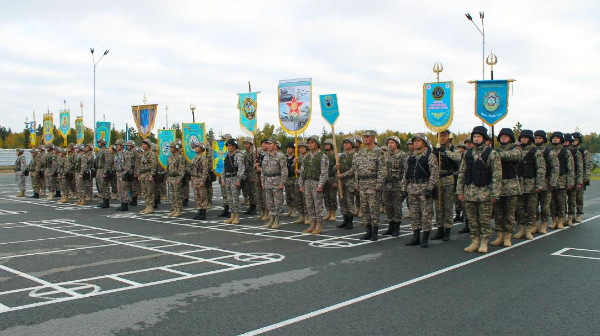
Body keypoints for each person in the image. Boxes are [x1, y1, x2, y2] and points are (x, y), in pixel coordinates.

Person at [457, 126, 502, 253]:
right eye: (474, 137)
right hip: (469, 192)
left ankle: (484, 241)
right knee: (472, 219)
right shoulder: (468, 153)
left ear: (484, 138)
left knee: (485, 219)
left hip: (485, 193)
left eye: (479, 137)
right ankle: (475, 240)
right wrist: (459, 191)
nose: (476, 139)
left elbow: (497, 175)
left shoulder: (492, 153)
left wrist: (495, 193)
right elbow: (462, 172)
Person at [402, 133, 439, 248]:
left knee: (426, 214)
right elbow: (405, 174)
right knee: (414, 214)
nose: (416, 143)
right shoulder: (410, 157)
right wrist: (403, 189)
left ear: (424, 142)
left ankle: (425, 238)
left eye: (419, 140)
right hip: (412, 188)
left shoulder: (430, 156)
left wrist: (430, 188)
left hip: (424, 188)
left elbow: (434, 174)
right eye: (414, 141)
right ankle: (416, 236)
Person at [490, 128, 522, 247]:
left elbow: (508, 156)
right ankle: (499, 236)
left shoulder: (516, 151)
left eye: (506, 136)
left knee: (509, 213)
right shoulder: (495, 151)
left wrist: (492, 154)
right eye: (501, 136)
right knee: (498, 213)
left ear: (510, 138)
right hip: (498, 186)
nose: (503, 137)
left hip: (511, 186)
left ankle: (508, 236)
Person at [353, 131, 384, 241]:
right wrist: (356, 183)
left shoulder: (378, 151)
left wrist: (379, 184)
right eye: (364, 137)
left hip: (373, 183)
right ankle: (368, 231)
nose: (365, 139)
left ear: (373, 138)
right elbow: (357, 169)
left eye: (367, 137)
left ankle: (375, 232)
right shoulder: (360, 152)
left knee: (373, 209)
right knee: (365, 208)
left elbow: (382, 169)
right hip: (363, 184)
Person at [431, 130, 461, 241]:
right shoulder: (435, 150)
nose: (442, 138)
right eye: (440, 136)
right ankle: (440, 228)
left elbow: (457, 158)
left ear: (449, 137)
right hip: (437, 179)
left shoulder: (453, 149)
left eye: (444, 136)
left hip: (448, 179)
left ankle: (447, 229)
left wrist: (446, 152)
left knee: (448, 205)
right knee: (438, 206)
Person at [299, 135, 329, 234]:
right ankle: (312, 224)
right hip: (307, 182)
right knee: (309, 205)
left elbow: (324, 172)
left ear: (317, 144)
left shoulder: (322, 156)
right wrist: (301, 184)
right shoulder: (306, 157)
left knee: (318, 205)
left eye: (312, 143)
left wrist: (320, 185)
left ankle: (319, 225)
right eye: (309, 143)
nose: (310, 145)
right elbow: (302, 172)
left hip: (316, 183)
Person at [381, 136, 407, 237]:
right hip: (386, 184)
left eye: (392, 142)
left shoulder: (402, 155)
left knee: (397, 207)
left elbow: (406, 171)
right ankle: (390, 226)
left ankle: (397, 227)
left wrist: (404, 186)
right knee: (388, 206)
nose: (390, 144)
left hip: (397, 184)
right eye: (389, 143)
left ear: (397, 144)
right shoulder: (385, 155)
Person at [534, 130, 558, 234]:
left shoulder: (550, 152)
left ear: (543, 139)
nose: (537, 140)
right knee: (533, 206)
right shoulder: (532, 151)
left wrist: (553, 182)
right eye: (536, 138)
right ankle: (534, 225)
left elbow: (555, 168)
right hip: (534, 183)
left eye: (539, 138)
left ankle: (543, 225)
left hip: (546, 182)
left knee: (545, 206)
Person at [548, 132, 574, 229]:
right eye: (553, 138)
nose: (555, 139)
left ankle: (561, 220)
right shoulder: (548, 151)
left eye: (557, 138)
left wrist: (570, 182)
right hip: (550, 180)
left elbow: (570, 168)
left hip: (562, 180)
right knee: (552, 202)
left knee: (561, 201)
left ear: (561, 140)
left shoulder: (566, 152)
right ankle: (554, 220)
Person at [261, 138, 287, 229]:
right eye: (267, 143)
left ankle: (277, 221)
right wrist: (262, 182)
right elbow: (263, 171)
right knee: (269, 202)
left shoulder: (280, 156)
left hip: (276, 181)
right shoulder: (266, 156)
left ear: (275, 145)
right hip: (267, 181)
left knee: (277, 202)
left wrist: (282, 183)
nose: (268, 145)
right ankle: (271, 219)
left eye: (270, 143)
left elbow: (284, 171)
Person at [335, 137, 357, 229]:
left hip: (350, 181)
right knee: (342, 201)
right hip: (341, 182)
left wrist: (343, 175)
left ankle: (350, 221)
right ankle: (345, 219)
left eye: (347, 143)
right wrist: (336, 168)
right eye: (344, 143)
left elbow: (353, 169)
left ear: (352, 144)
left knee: (349, 201)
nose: (345, 145)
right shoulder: (341, 156)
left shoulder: (355, 155)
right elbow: (336, 169)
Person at [222, 138, 245, 224]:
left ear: (234, 146)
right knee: (229, 198)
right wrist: (223, 179)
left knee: (235, 198)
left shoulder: (238, 155)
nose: (228, 147)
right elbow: (224, 168)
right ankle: (231, 216)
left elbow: (241, 168)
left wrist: (238, 179)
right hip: (227, 178)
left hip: (234, 178)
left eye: (230, 145)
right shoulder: (227, 155)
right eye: (227, 145)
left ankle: (237, 217)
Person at [571, 132, 592, 223]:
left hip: (580, 177)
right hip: (570, 177)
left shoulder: (584, 152)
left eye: (575, 140)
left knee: (579, 198)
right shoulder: (568, 150)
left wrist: (586, 177)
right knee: (571, 198)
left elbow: (588, 165)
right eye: (572, 140)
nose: (574, 142)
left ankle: (579, 214)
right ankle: (570, 215)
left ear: (579, 141)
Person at [564, 133, 583, 227]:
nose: (565, 143)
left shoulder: (576, 152)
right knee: (562, 200)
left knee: (572, 200)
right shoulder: (560, 151)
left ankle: (571, 217)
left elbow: (580, 168)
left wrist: (580, 181)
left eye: (567, 141)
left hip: (573, 179)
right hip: (562, 179)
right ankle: (563, 217)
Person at [166, 141, 186, 217]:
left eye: (172, 147)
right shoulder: (170, 157)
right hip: (170, 177)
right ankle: (174, 209)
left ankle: (178, 209)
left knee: (177, 195)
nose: (171, 149)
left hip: (176, 177)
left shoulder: (180, 157)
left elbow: (181, 169)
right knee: (172, 195)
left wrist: (179, 178)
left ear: (176, 148)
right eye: (170, 147)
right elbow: (167, 168)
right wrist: (167, 177)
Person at [190, 142, 210, 220]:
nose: (196, 148)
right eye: (195, 147)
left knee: (203, 196)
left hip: (200, 178)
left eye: (197, 147)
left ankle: (203, 213)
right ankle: (199, 211)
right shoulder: (195, 158)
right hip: (195, 179)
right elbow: (192, 170)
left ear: (201, 148)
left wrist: (202, 181)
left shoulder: (203, 158)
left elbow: (205, 171)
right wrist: (192, 181)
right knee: (197, 196)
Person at [138, 139, 158, 214]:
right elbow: (140, 165)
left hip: (148, 174)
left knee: (150, 191)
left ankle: (150, 206)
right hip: (143, 174)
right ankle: (147, 206)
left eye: (144, 144)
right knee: (145, 191)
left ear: (148, 145)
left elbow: (153, 166)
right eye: (142, 144)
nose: (143, 145)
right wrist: (139, 175)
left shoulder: (152, 154)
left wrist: (152, 175)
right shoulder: (142, 154)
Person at [284, 142, 302, 219]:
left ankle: (294, 209)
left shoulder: (296, 158)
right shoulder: (285, 158)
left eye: (290, 148)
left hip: (293, 177)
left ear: (293, 149)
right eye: (287, 148)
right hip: (287, 178)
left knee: (293, 194)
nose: (288, 150)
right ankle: (290, 209)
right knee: (288, 195)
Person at [114, 139, 133, 211]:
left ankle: (125, 203)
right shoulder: (117, 154)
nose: (117, 146)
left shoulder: (126, 153)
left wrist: (125, 172)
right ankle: (122, 202)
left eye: (118, 145)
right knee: (119, 189)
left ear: (121, 145)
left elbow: (128, 164)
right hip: (118, 172)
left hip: (123, 173)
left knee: (124, 189)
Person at [293, 141, 310, 225]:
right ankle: (301, 215)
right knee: (298, 199)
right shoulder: (298, 157)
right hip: (298, 180)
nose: (300, 149)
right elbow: (292, 168)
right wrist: (294, 162)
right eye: (299, 148)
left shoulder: (309, 157)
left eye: (302, 147)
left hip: (306, 180)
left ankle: (307, 216)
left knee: (305, 199)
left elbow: (308, 170)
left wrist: (299, 171)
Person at [322, 139, 339, 222]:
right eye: (325, 145)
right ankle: (328, 212)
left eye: (328, 144)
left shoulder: (335, 156)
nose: (326, 146)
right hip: (325, 178)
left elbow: (337, 170)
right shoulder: (324, 156)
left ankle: (333, 213)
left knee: (332, 197)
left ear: (331, 146)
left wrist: (336, 181)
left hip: (332, 178)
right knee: (326, 196)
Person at [95, 138, 114, 208]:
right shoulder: (100, 151)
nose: (99, 143)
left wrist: (105, 172)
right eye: (98, 142)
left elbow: (108, 162)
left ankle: (106, 201)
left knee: (105, 185)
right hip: (99, 169)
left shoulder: (106, 151)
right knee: (100, 186)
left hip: (103, 169)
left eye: (100, 142)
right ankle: (103, 200)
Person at [242, 138, 258, 215]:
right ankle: (251, 207)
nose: (245, 145)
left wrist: (254, 176)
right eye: (244, 144)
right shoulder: (244, 154)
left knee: (254, 192)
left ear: (250, 144)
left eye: (247, 144)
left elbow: (255, 165)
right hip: (246, 175)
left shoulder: (253, 153)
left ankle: (254, 207)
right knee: (249, 192)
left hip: (252, 174)